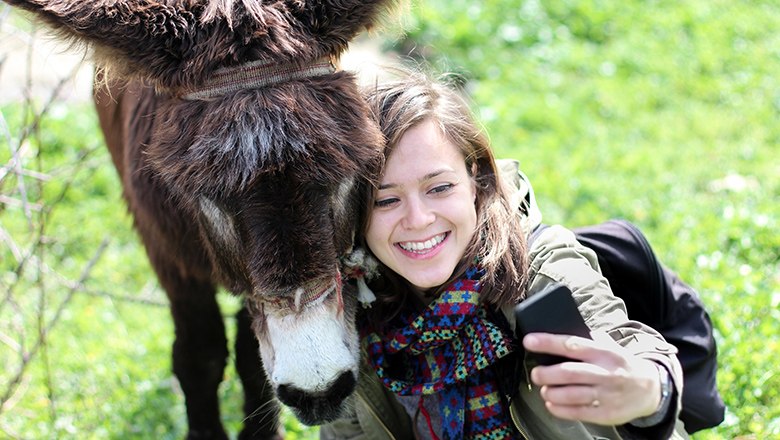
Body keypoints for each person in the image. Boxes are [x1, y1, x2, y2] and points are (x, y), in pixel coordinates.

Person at [322, 69, 689, 439]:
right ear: (353, 212)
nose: (418, 220)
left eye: (439, 187)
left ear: (476, 180)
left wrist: (649, 391)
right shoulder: (351, 315)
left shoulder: (545, 271)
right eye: (386, 199)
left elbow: (628, 346)